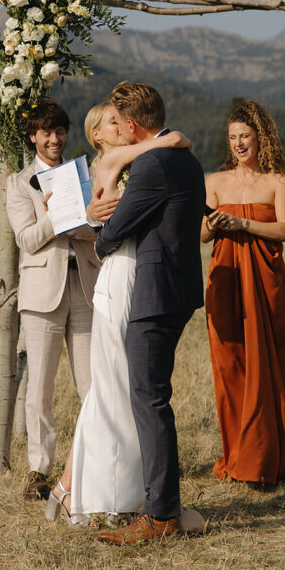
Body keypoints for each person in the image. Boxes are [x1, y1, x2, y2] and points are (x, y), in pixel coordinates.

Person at [44, 101, 192, 526]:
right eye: (112, 122)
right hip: (120, 272)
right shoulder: (111, 159)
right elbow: (171, 142)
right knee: (113, 386)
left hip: (134, 274)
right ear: (99, 136)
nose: (122, 125)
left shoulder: (120, 161)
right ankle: (93, 493)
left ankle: (74, 485)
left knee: (115, 386)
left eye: (122, 119)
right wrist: (173, 138)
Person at [91, 82, 207, 545]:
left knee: (150, 398)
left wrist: (99, 237)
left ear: (135, 125)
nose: (118, 131)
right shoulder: (180, 154)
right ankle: (161, 505)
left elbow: (118, 226)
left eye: (121, 123)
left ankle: (160, 517)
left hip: (156, 292)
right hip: (174, 288)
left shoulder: (153, 163)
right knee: (151, 395)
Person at [202, 99, 285, 487]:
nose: (238, 144)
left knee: (267, 362)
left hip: (264, 280)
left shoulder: (279, 181)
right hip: (225, 279)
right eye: (232, 138)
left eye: (245, 136)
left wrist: (243, 222)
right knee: (229, 366)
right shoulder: (215, 181)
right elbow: (198, 234)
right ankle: (238, 453)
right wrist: (213, 225)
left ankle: (267, 456)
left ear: (261, 138)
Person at [6, 99, 100, 501]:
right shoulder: (17, 182)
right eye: (46, 132)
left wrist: (74, 221)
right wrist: (57, 217)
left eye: (60, 132)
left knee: (93, 385)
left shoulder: (85, 174)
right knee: (39, 388)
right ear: (33, 136)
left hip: (85, 289)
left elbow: (99, 229)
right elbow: (26, 239)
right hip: (42, 293)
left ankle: (92, 463)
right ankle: (39, 470)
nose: (55, 139)